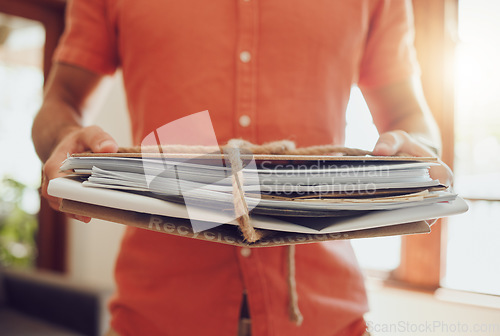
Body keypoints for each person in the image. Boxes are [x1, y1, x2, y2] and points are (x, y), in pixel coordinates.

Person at [32, 1, 452, 335]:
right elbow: (61, 99)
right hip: (157, 313)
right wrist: (61, 140)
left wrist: (420, 155)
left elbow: (409, 116)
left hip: (324, 314)